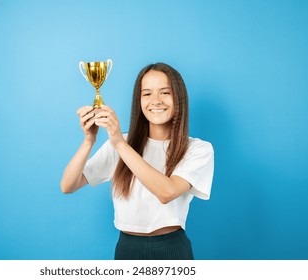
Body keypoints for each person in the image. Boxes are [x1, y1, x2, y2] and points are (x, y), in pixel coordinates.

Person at [60, 62, 214, 260]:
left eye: (165, 92)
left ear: (179, 98)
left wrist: (120, 144)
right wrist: (89, 141)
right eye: (147, 93)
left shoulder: (198, 149)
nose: (155, 101)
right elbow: (68, 185)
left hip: (172, 249)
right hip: (127, 249)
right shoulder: (119, 143)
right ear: (138, 101)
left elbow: (167, 192)